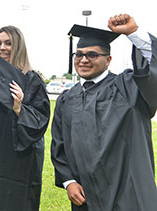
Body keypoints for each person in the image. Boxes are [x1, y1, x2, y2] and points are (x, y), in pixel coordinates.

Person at [51, 14, 157, 211]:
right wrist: (69, 181)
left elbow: (152, 68)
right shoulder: (66, 99)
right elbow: (59, 147)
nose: (84, 59)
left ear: (108, 60)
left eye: (92, 55)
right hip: (87, 198)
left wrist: (134, 33)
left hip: (128, 197)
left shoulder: (129, 88)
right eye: (79, 54)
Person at [0, 26, 50, 211]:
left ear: (19, 46)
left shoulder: (31, 80)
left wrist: (19, 108)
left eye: (9, 43)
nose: (2, 47)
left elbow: (40, 122)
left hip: (19, 164)